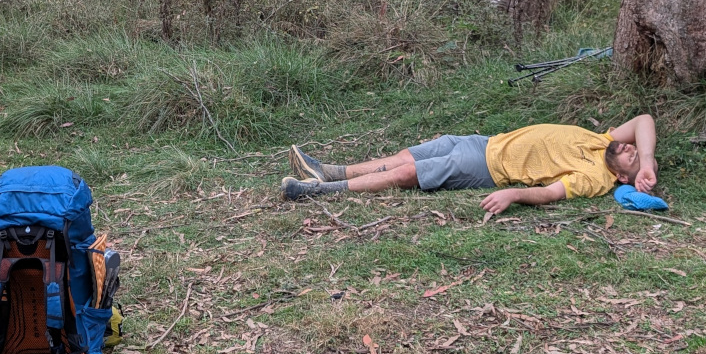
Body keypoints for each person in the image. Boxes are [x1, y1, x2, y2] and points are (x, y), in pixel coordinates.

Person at [280, 115, 658, 215]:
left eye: (631, 156)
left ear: (621, 176)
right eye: (631, 149)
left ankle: (317, 192)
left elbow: (549, 192)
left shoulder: (596, 177)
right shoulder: (604, 141)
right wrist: (648, 162)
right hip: (485, 142)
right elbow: (644, 120)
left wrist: (512, 194)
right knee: (407, 156)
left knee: (409, 174)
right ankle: (330, 170)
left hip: (490, 168)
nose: (628, 147)